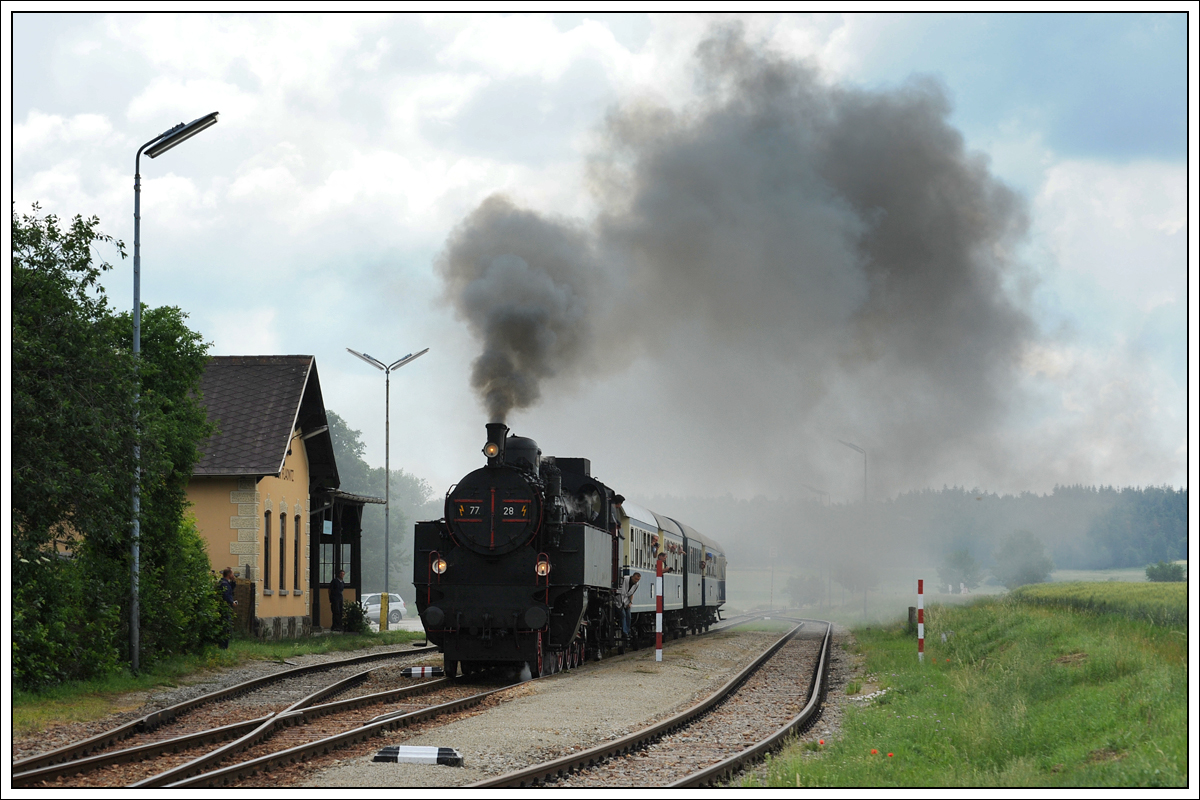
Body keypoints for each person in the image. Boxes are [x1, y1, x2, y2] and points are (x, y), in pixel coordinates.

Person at [219, 568, 238, 649]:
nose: (233, 575)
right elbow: (226, 595)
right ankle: (223, 646)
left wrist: (233, 581)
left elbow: (231, 588)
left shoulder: (224, 583)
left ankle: (223, 645)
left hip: (224, 606)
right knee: (226, 626)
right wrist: (232, 602)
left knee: (226, 626)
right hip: (225, 607)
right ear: (229, 574)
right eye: (232, 574)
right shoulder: (224, 584)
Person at [619, 572, 641, 640]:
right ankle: (624, 631)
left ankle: (627, 632)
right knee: (623, 615)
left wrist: (630, 602)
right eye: (635, 579)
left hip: (626, 601)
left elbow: (632, 594)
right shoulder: (625, 579)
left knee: (629, 616)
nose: (636, 581)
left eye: (638, 580)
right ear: (632, 577)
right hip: (618, 600)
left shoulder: (636, 585)